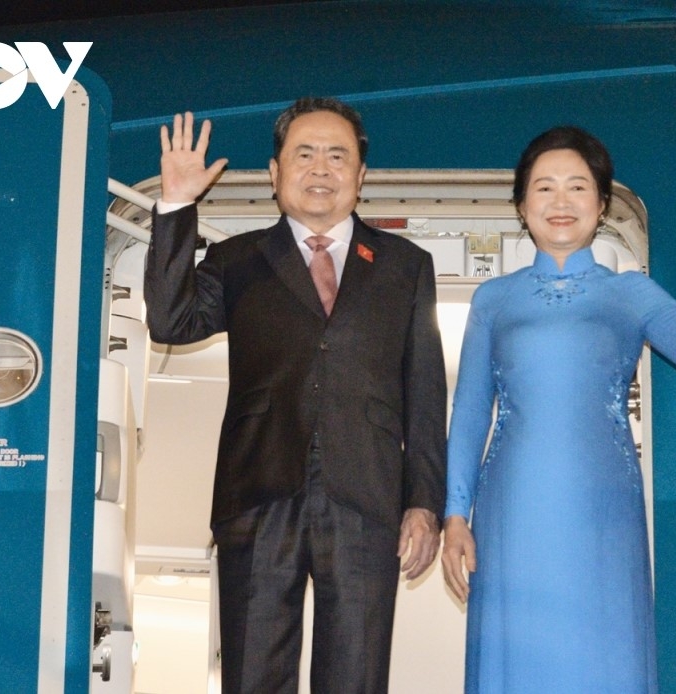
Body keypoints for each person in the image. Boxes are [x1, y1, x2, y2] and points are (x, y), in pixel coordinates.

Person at [144, 98, 448, 693]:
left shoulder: (406, 266)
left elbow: (426, 394)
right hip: (258, 497)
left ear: (360, 176)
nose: (321, 168)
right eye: (303, 154)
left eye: (338, 156)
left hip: (367, 497)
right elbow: (170, 321)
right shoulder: (238, 258)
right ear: (274, 173)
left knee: (356, 679)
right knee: (254, 676)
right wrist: (177, 204)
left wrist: (424, 502)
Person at [440, 126, 676, 693]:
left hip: (602, 512)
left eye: (578, 187)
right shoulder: (494, 298)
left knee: (603, 655)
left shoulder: (632, 292)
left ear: (602, 204)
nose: (561, 202)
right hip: (510, 510)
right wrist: (455, 515)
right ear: (521, 205)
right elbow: (470, 409)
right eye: (544, 188)